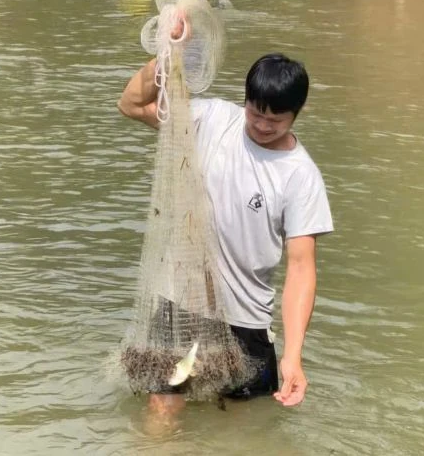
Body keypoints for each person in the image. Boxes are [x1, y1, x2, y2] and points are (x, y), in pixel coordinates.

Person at [118, 27, 333, 407]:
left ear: (298, 113)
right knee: (161, 410)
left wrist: (294, 356)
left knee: (241, 431)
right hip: (180, 301)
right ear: (245, 100)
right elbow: (132, 105)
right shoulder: (212, 119)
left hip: (245, 319)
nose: (263, 125)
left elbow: (301, 268)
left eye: (277, 119)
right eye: (255, 113)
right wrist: (168, 54)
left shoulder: (301, 175)